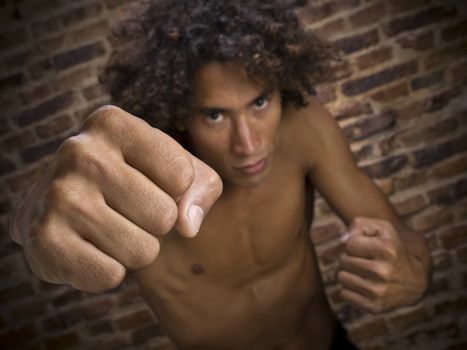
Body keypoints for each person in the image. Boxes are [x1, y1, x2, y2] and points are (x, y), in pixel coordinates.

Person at [9, 0, 432, 349]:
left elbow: (401, 237)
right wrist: (34, 216)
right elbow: (41, 224)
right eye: (214, 115)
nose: (247, 143)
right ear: (178, 113)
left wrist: (411, 273)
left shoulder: (305, 130)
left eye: (260, 103)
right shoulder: (140, 178)